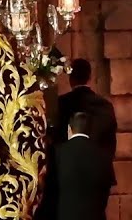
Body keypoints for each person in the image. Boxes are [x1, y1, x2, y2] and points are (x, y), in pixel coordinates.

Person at [56, 59, 117, 189]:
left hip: (68, 174)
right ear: (90, 77)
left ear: (70, 79)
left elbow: (55, 140)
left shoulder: (60, 104)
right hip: (99, 174)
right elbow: (111, 142)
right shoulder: (105, 105)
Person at [55, 113, 115, 220]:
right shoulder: (103, 154)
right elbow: (107, 186)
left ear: (69, 128)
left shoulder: (59, 152)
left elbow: (51, 188)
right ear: (90, 130)